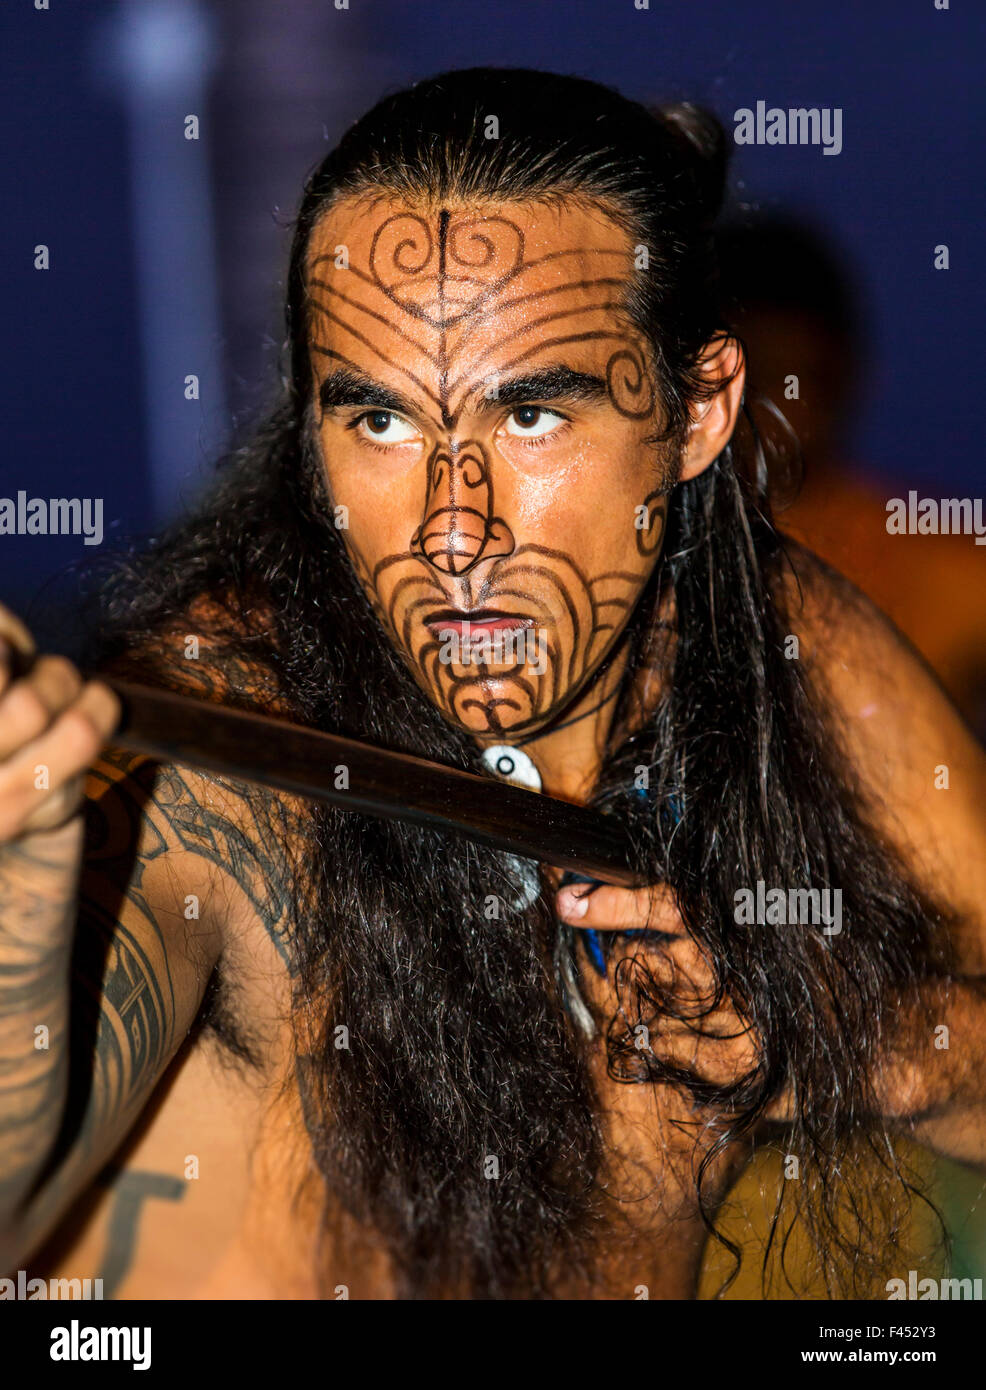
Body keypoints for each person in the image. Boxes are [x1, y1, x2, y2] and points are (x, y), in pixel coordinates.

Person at [1, 68, 984, 1301]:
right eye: (378, 423)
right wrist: (19, 894)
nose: (449, 531)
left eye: (530, 416)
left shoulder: (786, 651)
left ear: (698, 410)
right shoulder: (220, 749)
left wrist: (874, 1041)